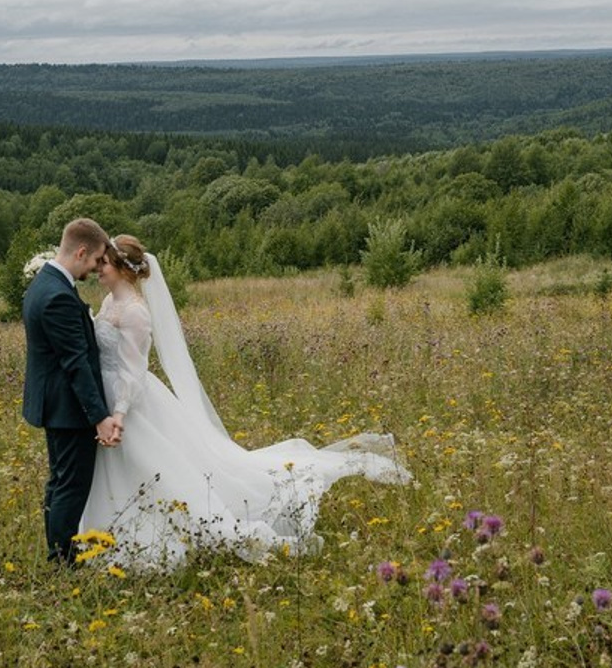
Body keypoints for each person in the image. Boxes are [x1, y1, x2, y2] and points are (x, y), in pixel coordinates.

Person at [77, 234, 411, 569]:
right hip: (108, 393)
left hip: (129, 401)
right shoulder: (109, 303)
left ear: (122, 267)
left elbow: (134, 371)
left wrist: (119, 412)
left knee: (151, 468)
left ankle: (159, 536)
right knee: (128, 468)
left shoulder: (135, 312)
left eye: (104, 263)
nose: (97, 268)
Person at [21, 218, 123, 565]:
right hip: (68, 407)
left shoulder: (44, 284)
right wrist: (100, 417)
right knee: (71, 486)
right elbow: (75, 362)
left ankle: (58, 552)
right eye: (95, 260)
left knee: (59, 481)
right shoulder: (57, 296)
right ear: (81, 251)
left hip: (55, 402)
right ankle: (63, 561)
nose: (96, 268)